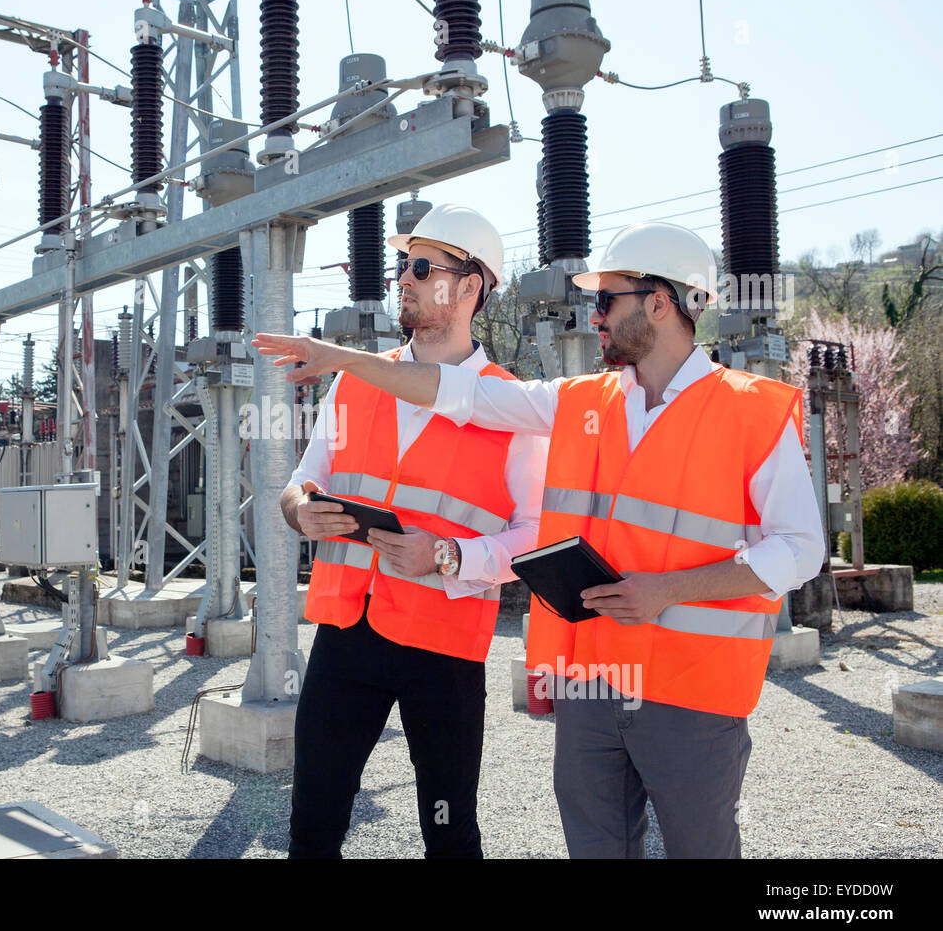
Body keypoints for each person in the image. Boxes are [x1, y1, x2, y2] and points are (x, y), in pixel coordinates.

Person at [255, 220, 824, 859]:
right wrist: (341, 361)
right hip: (591, 680)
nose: (595, 317)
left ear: (659, 304)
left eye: (606, 301)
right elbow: (462, 397)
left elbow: (801, 548)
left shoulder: (749, 411)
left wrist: (668, 589)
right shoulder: (585, 402)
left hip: (691, 687)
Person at [278, 203, 548, 859]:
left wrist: (451, 556)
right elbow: (303, 477)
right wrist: (298, 508)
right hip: (346, 633)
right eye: (403, 264)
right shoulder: (356, 382)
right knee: (312, 823)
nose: (404, 278)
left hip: (443, 648)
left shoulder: (513, 404)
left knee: (449, 833)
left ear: (471, 287)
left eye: (422, 266)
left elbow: (535, 537)